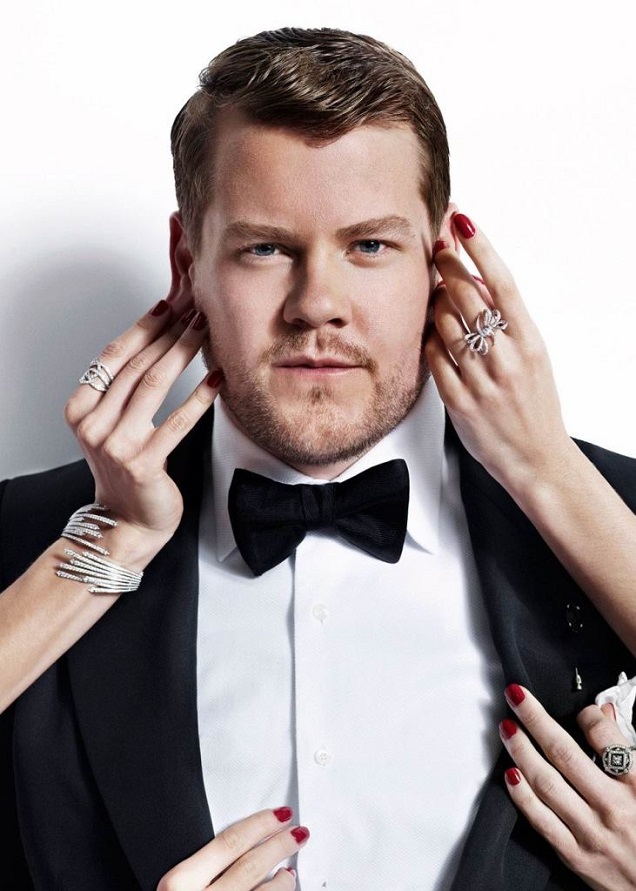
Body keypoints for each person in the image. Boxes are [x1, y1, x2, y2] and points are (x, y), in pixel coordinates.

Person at [1, 26, 635, 891]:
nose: (317, 304)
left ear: (441, 261)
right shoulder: (29, 550)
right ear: (188, 262)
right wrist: (109, 544)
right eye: (266, 247)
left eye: (369, 245)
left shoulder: (609, 515)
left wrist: (547, 472)